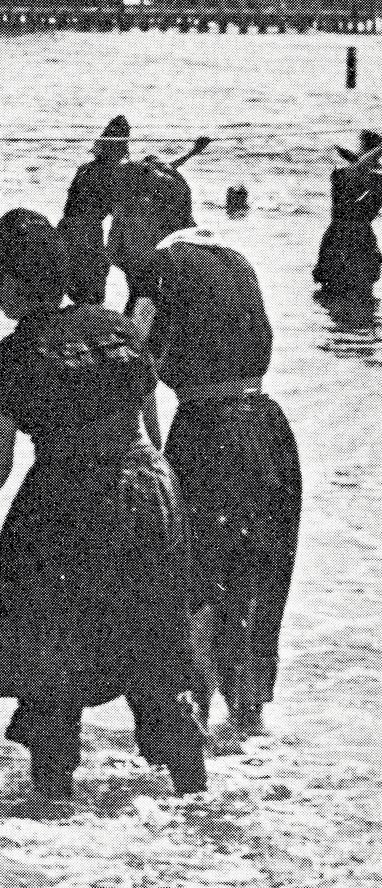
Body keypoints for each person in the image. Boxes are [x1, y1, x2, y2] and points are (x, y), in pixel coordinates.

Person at [0, 209, 206, 799]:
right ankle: (197, 794)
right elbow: (150, 426)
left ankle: (52, 802)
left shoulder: (12, 355)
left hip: (68, 501)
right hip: (147, 491)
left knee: (50, 657)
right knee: (151, 648)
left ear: (10, 285)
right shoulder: (114, 326)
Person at [109, 159, 301, 734]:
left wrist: (139, 456)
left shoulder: (161, 267)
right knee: (257, 583)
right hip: (268, 427)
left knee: (193, 586)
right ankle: (249, 733)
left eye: (118, 218)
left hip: (211, 432)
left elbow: (131, 369)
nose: (111, 233)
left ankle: (192, 733)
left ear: (146, 215)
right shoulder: (232, 256)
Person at [57, 115, 131, 306]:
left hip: (66, 230)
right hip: (86, 233)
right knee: (93, 297)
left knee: (78, 293)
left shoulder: (85, 169)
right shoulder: (115, 174)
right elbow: (153, 179)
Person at [313, 130, 382, 299]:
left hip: (356, 240)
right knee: (335, 292)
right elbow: (358, 171)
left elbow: (360, 169)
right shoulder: (341, 174)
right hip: (343, 238)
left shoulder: (376, 180)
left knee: (361, 294)